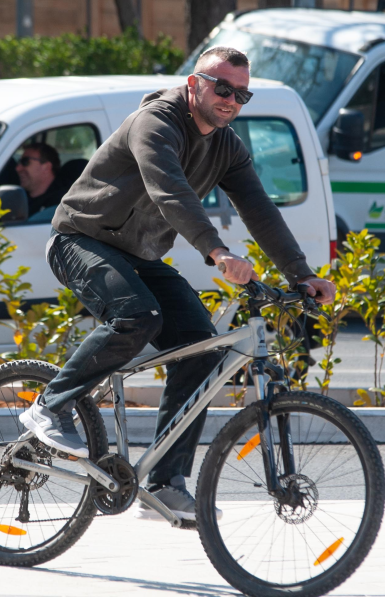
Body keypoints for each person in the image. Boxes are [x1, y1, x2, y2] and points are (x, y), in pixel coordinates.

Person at [19, 46, 336, 524]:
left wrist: (302, 273)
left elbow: (259, 208)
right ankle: (50, 405)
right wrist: (217, 251)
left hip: (137, 254)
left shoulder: (226, 144)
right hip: (80, 239)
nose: (231, 99)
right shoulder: (157, 122)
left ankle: (166, 483)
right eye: (222, 87)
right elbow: (170, 191)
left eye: (242, 94)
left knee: (202, 349)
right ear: (195, 84)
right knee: (138, 315)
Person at [15, 142, 65, 216]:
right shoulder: (19, 198)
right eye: (19, 162)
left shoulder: (61, 205)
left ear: (46, 167)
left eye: (25, 161)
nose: (18, 168)